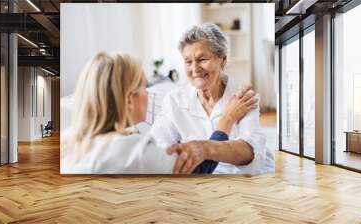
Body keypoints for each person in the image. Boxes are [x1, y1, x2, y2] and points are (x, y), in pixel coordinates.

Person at [61, 52, 257, 174]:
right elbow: (199, 170)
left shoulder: (69, 141)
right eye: (145, 87)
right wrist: (227, 119)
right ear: (129, 99)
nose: (149, 94)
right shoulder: (134, 151)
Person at [150, 23, 273, 175]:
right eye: (188, 61)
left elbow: (251, 154)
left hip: (238, 179)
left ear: (222, 60)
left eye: (202, 59)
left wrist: (205, 148)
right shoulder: (174, 100)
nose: (194, 69)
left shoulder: (243, 98)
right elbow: (157, 149)